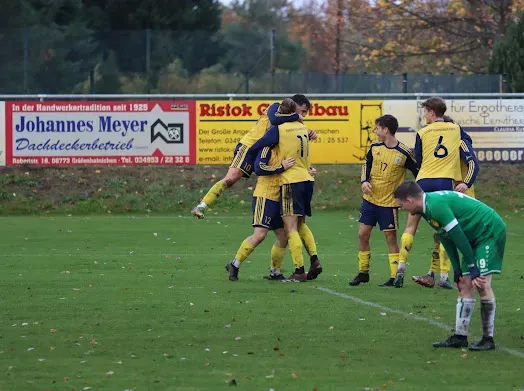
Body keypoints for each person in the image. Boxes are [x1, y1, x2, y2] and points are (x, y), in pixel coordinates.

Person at [394, 181, 506, 351]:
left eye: (401, 204)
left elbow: (458, 236)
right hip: (472, 236)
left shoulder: (436, 205)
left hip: (488, 231)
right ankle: (460, 337)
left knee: (481, 283)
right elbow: (445, 237)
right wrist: (457, 268)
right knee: (463, 283)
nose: (402, 208)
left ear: (409, 200)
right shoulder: (425, 209)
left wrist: (472, 266)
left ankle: (487, 339)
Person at [225, 99, 319, 281]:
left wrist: (307, 169)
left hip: (282, 193)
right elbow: (259, 168)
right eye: (302, 113)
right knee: (260, 235)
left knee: (284, 235)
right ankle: (234, 264)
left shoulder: (287, 139)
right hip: (265, 195)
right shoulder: (269, 143)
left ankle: (275, 272)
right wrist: (280, 167)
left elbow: (299, 159)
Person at [191, 95, 315, 219]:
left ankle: (280, 221)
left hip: (265, 151)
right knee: (232, 178)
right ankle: (201, 206)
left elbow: (295, 144)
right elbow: (274, 119)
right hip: (249, 147)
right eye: (303, 111)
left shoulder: (294, 122)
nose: (304, 115)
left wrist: (308, 136)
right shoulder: (276, 107)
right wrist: (296, 116)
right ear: (294, 105)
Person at [394, 97, 462, 288]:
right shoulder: (455, 128)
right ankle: (443, 277)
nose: (424, 115)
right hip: (443, 182)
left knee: (410, 226)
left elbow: (419, 158)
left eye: (425, 111)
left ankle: (400, 269)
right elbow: (466, 144)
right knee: (445, 229)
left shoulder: (423, 132)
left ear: (432, 112)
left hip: (423, 181)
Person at [348, 115, 418, 287]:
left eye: (377, 128)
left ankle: (395, 276)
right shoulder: (374, 147)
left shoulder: (404, 153)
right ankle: (363, 272)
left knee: (390, 238)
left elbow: (419, 172)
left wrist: (416, 194)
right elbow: (366, 165)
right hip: (370, 200)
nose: (375, 131)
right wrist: (364, 181)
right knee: (362, 235)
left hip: (389, 203)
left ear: (385, 129)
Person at [412, 115, 480, 289]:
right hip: (449, 194)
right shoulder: (442, 146)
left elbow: (473, 163)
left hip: (463, 197)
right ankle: (435, 275)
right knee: (441, 234)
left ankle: (466, 275)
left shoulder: (460, 142)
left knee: (459, 236)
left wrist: (466, 183)